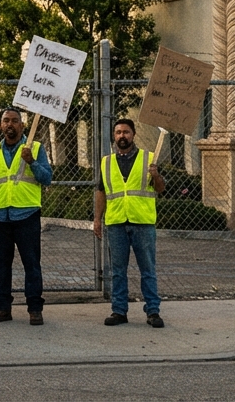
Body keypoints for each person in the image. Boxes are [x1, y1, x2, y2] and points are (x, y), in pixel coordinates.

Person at [0, 108, 53, 325]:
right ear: (0, 125)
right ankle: (2, 308)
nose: (10, 124)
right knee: (2, 266)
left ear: (22, 125)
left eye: (14, 121)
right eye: (5, 121)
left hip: (27, 215)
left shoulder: (36, 149)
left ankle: (35, 309)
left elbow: (46, 178)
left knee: (32, 264)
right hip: (1, 218)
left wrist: (31, 161)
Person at [95, 118, 166, 328]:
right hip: (116, 222)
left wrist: (156, 176)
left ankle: (153, 311)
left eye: (126, 132)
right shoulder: (106, 162)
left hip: (142, 222)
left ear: (133, 134)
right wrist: (97, 218)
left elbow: (160, 188)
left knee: (148, 269)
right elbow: (101, 191)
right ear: (114, 136)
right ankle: (119, 311)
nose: (121, 136)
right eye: (118, 132)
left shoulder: (149, 158)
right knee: (118, 270)